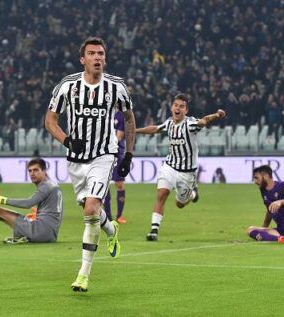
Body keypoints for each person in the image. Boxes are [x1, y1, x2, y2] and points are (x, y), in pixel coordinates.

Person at [45, 36, 136, 292]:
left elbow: (129, 120)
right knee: (91, 210)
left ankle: (83, 274)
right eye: (92, 53)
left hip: (104, 155)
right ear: (82, 59)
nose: (98, 57)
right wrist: (67, 140)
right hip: (76, 159)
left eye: (101, 54)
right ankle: (111, 228)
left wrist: (127, 155)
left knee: (91, 210)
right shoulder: (68, 85)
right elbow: (50, 120)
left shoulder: (116, 87)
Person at [136, 93, 226, 241]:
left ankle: (193, 194)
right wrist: (136, 131)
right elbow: (155, 129)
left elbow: (203, 121)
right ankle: (154, 230)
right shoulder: (169, 123)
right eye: (176, 105)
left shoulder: (190, 124)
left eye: (181, 106)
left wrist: (216, 115)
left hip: (187, 172)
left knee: (180, 204)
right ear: (172, 108)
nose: (178, 108)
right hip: (170, 166)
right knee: (162, 193)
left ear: (186, 111)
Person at [103, 111, 127, 224]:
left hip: (117, 153)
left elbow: (120, 136)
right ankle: (108, 216)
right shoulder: (104, 112)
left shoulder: (121, 115)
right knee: (105, 184)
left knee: (119, 184)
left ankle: (119, 216)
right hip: (102, 153)